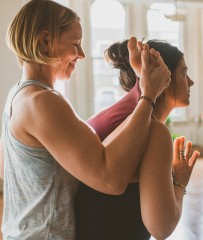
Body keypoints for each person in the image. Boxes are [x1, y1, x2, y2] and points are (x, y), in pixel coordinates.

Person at [0, 0, 171, 239]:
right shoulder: (42, 102)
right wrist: (149, 95)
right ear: (45, 41)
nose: (80, 55)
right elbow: (111, 179)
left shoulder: (17, 95)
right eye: (76, 44)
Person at [75, 39, 200, 240]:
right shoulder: (154, 132)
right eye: (184, 73)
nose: (191, 81)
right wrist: (180, 181)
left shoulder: (116, 118)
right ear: (165, 79)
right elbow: (161, 227)